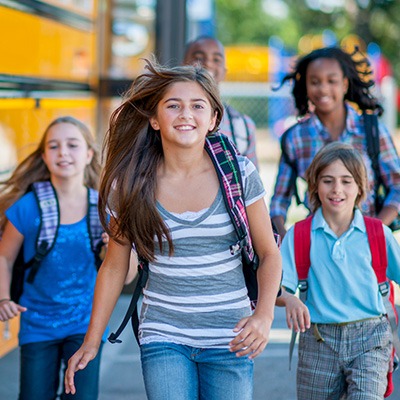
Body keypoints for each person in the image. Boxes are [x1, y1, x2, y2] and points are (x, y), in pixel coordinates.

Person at [65, 60, 282, 400]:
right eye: (173, 105)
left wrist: (263, 316)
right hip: (164, 334)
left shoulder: (238, 173)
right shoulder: (131, 184)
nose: (186, 114)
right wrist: (91, 342)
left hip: (231, 335)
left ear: (213, 119)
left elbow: (269, 253)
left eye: (198, 106)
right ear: (154, 119)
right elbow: (115, 266)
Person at [277, 142, 400, 399]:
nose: (337, 189)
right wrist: (289, 298)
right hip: (319, 340)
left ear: (361, 188)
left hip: (371, 338)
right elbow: (278, 287)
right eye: (327, 181)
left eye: (346, 181)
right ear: (314, 185)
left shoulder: (378, 233)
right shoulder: (299, 235)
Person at [0, 116, 108, 400]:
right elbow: (4, 258)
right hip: (37, 325)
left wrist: (111, 247)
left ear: (88, 155)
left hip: (86, 325)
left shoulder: (104, 209)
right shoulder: (28, 207)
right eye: (54, 146)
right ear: (44, 156)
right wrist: (3, 298)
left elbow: (122, 272)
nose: (63, 152)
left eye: (72, 145)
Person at [269, 46, 400, 238]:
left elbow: (397, 187)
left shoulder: (372, 130)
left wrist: (374, 230)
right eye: (315, 81)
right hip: (318, 246)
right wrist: (285, 238)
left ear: (345, 84)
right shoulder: (295, 137)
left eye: (332, 81)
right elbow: (279, 202)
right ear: (305, 85)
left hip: (367, 247)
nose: (323, 88)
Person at [183, 35, 259, 168]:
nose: (208, 63)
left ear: (224, 71)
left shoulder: (243, 126)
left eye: (216, 59)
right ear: (183, 65)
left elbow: (251, 182)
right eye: (199, 58)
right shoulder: (168, 118)